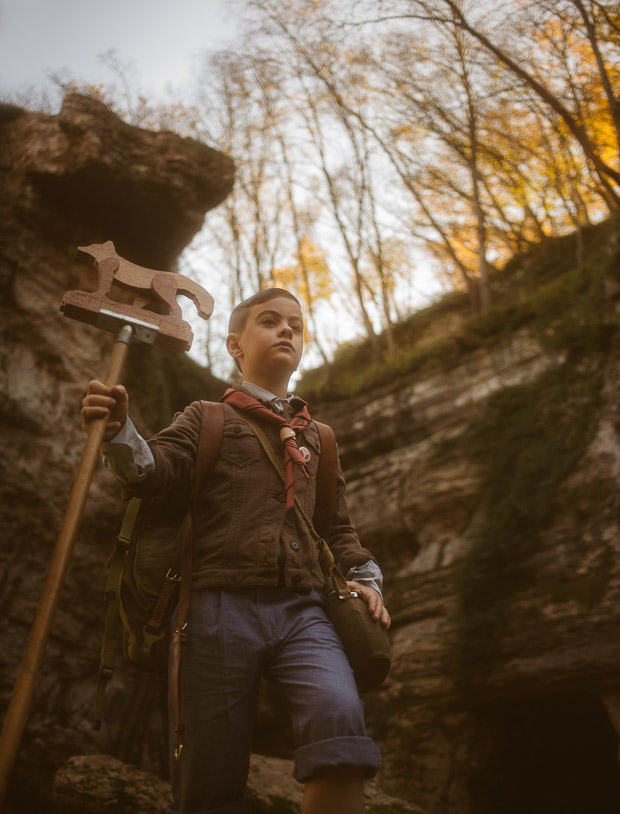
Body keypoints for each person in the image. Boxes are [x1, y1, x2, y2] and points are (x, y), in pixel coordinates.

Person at [81, 288, 390, 814]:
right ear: (234, 345)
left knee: (340, 719)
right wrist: (118, 431)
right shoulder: (206, 418)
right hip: (215, 608)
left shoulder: (319, 439)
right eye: (269, 321)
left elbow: (337, 529)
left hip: (305, 610)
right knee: (209, 769)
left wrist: (368, 579)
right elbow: (153, 472)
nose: (287, 330)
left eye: (295, 323)